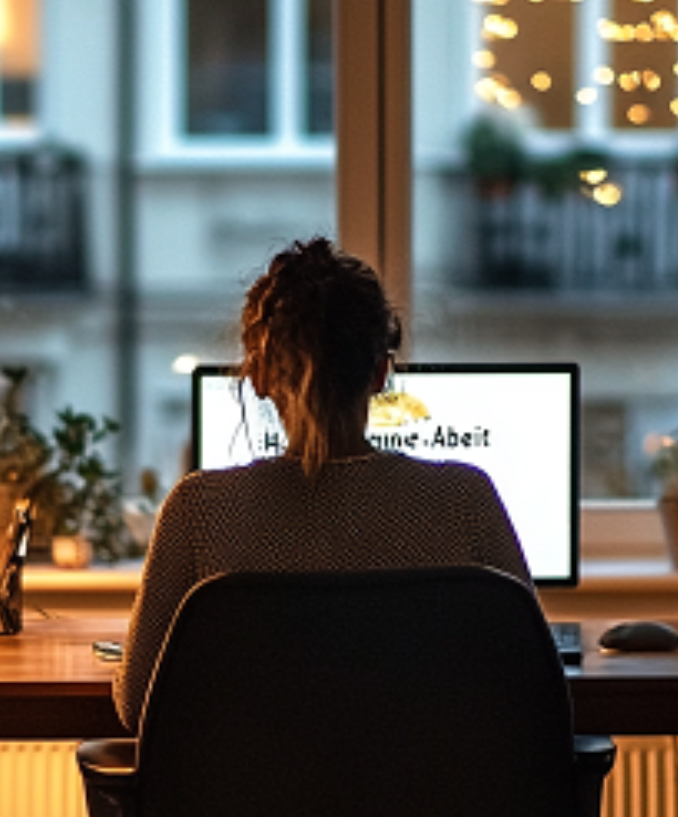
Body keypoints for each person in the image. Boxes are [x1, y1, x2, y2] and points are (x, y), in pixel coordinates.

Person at [113, 236, 532, 731]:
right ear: (380, 373)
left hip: (253, 784)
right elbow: (530, 685)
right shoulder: (465, 500)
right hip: (426, 782)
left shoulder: (199, 512)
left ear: (258, 375)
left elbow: (136, 703)